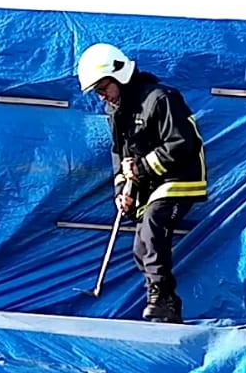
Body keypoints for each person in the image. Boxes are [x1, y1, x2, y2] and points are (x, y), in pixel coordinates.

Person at [77, 41, 207, 323]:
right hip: (149, 186)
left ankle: (162, 299)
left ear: (119, 75)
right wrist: (122, 191)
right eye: (98, 91)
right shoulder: (117, 111)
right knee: (142, 246)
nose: (102, 97)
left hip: (179, 178)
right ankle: (164, 302)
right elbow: (120, 155)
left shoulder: (160, 98)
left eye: (103, 88)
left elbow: (183, 143)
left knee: (152, 230)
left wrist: (143, 167)